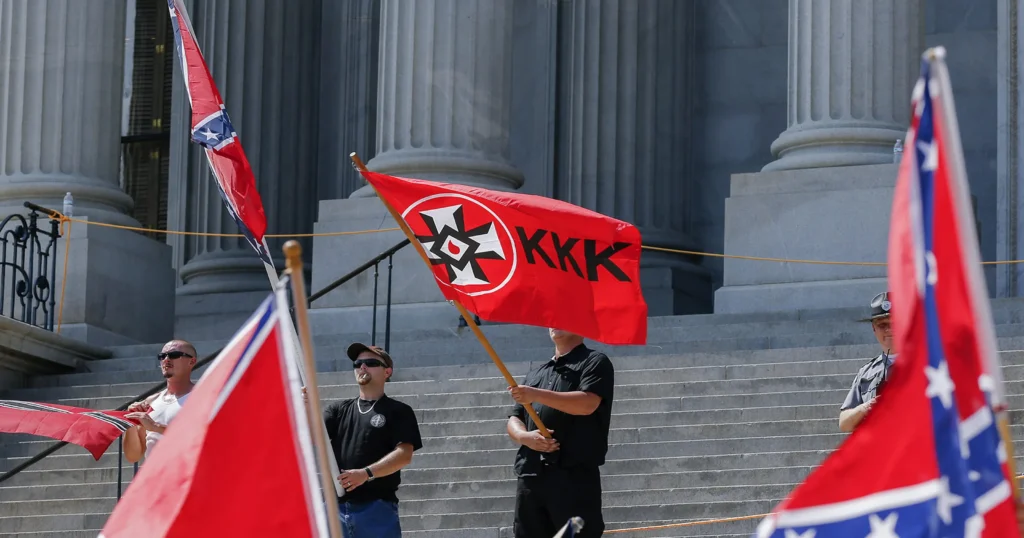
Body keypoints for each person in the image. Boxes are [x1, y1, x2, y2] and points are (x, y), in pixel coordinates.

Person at [505, 328, 615, 538]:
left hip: (573, 476)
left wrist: (535, 394)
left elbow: (587, 404)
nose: (554, 324)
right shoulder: (536, 373)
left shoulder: (594, 362)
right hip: (531, 474)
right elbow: (515, 417)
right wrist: (524, 437)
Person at [321, 343, 422, 538]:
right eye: (357, 363)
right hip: (334, 508)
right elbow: (313, 437)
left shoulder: (399, 411)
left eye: (371, 363)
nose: (362, 367)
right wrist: (304, 409)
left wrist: (365, 474)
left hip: (376, 508)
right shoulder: (337, 410)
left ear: (387, 372)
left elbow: (404, 454)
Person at [123, 340, 198, 462]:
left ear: (192, 361)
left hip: (186, 470)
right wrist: (130, 422)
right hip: (155, 472)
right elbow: (133, 456)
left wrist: (156, 427)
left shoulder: (202, 396)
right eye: (162, 356)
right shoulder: (151, 401)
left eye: (174, 355)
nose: (166, 359)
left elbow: (204, 440)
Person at [839, 292, 897, 432]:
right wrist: (867, 407)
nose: (888, 329)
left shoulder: (924, 366)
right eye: (882, 325)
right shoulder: (866, 373)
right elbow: (844, 423)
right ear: (874, 329)